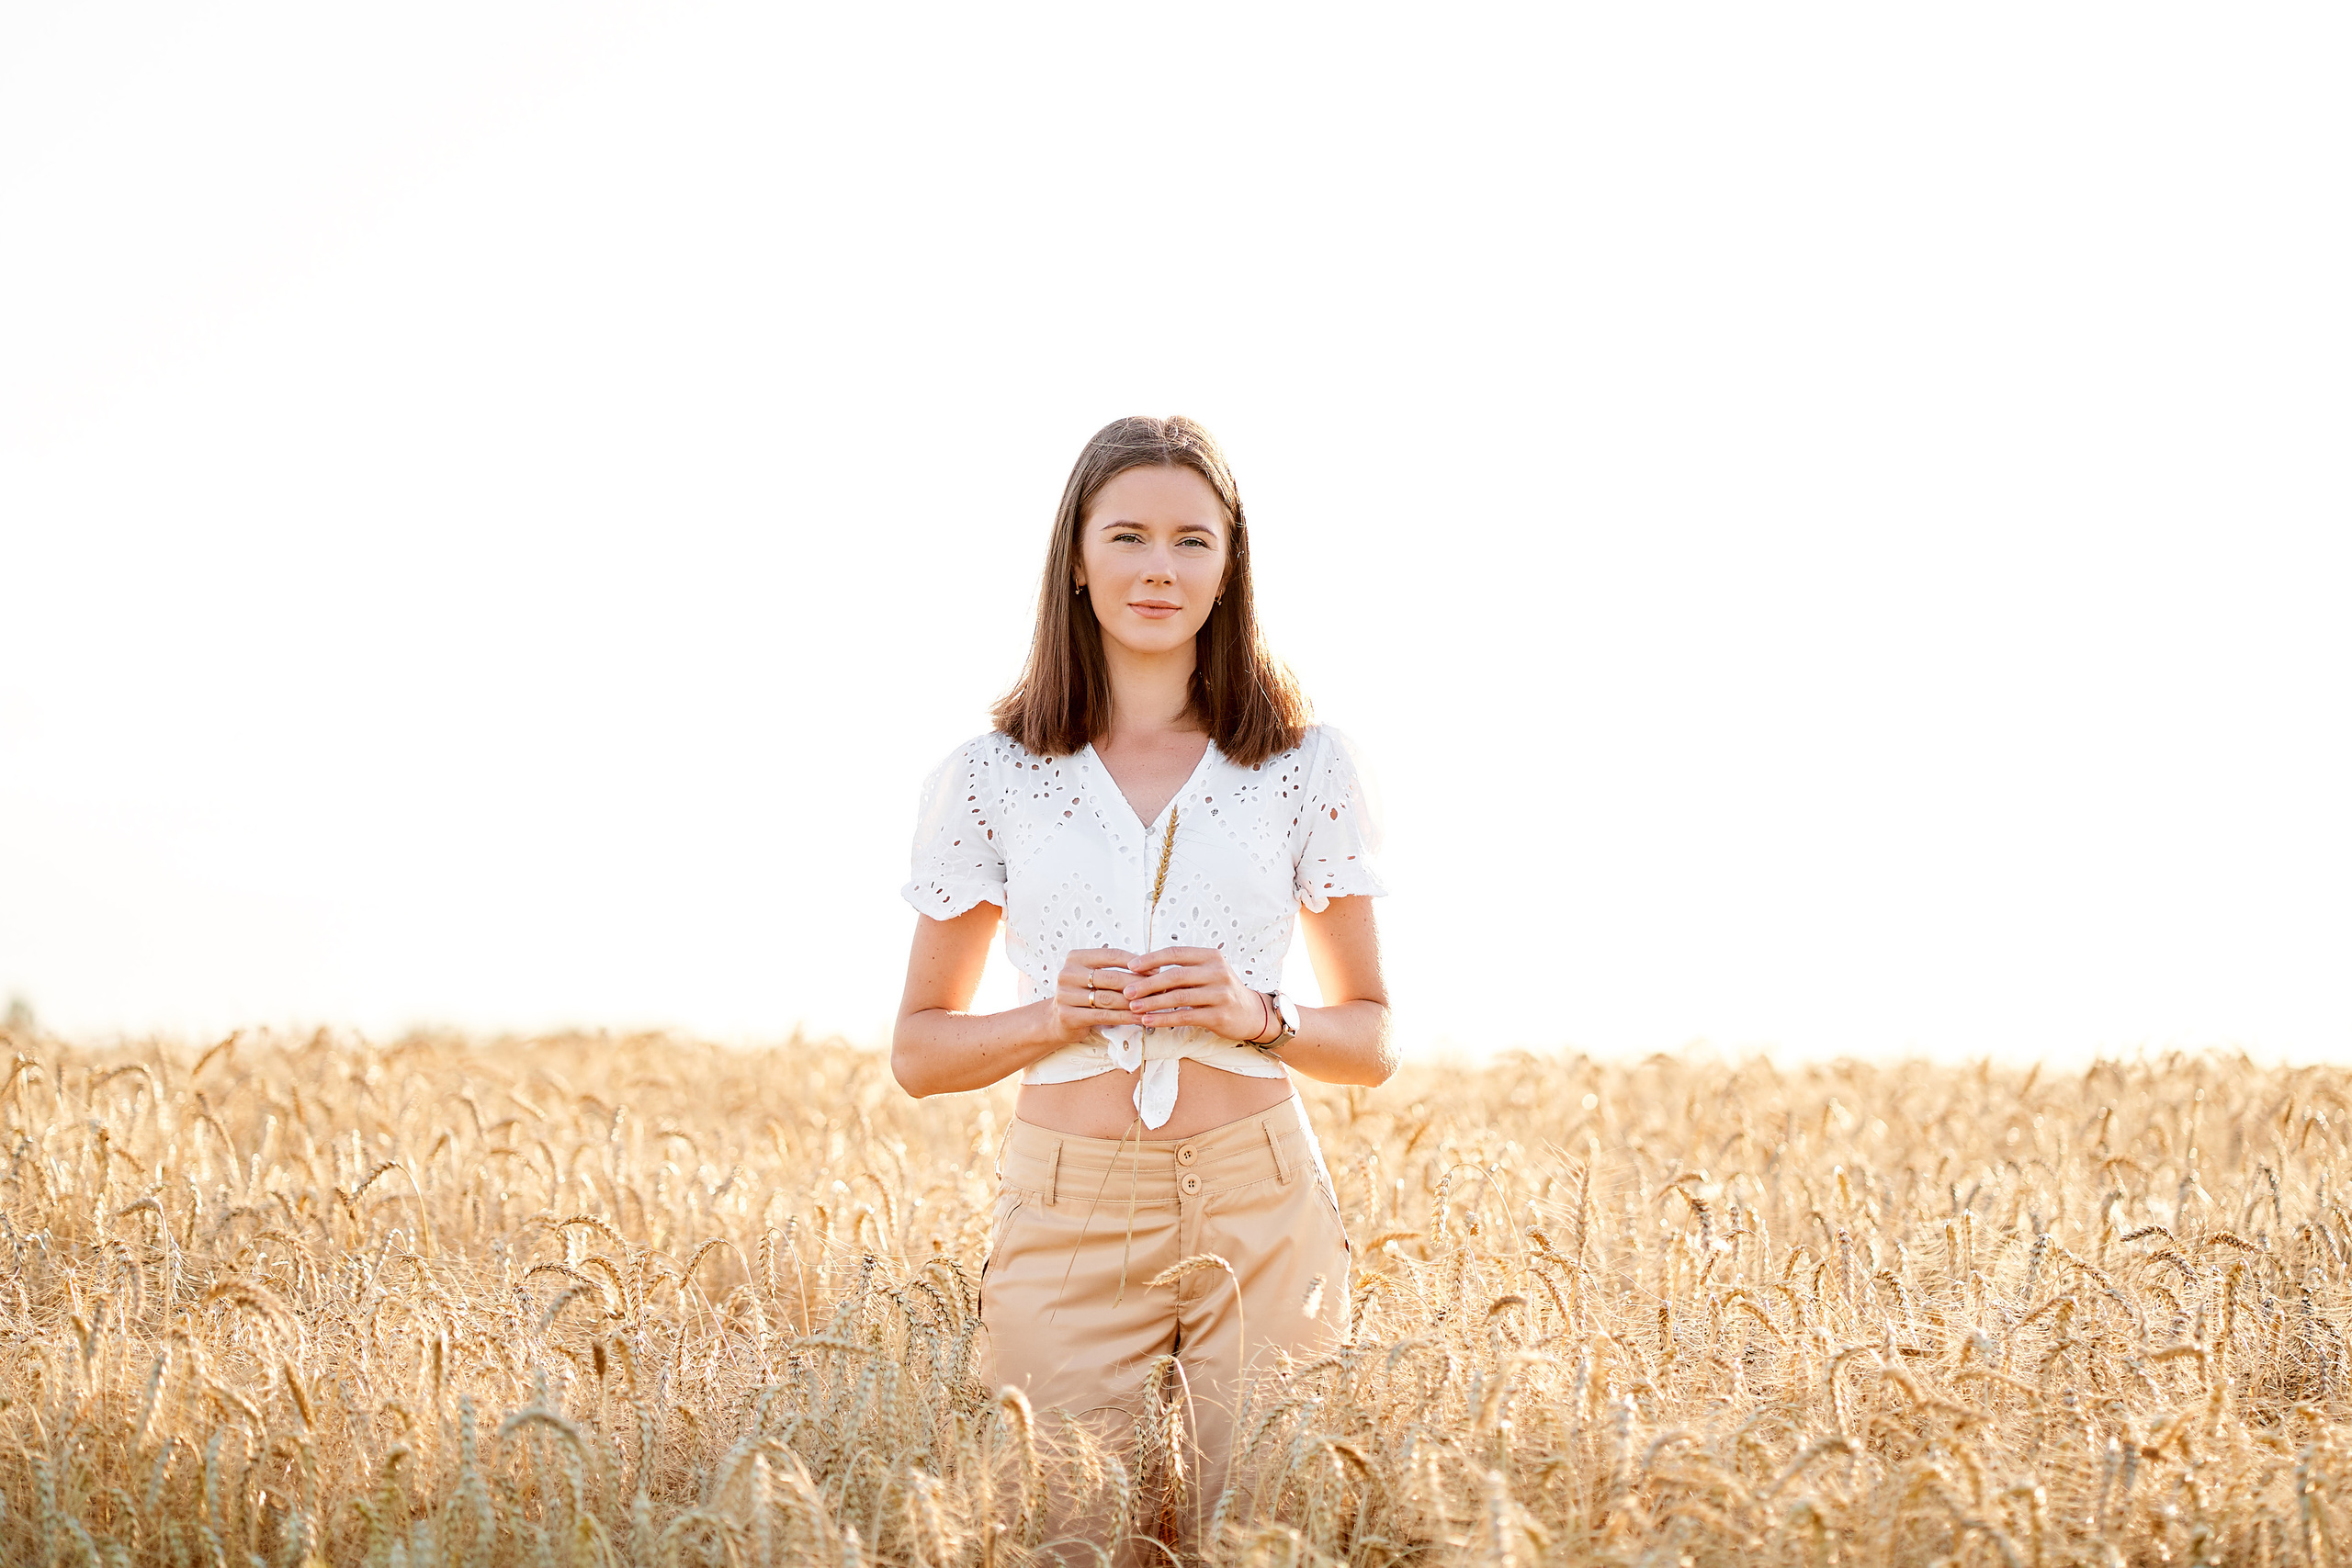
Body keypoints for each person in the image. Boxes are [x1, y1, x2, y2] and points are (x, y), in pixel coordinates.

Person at [892, 414, 1395, 1559]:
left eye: (1191, 541)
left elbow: (1369, 1039)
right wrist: (1051, 1015)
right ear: (1076, 558)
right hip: (1067, 1203)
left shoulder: (1304, 765)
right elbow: (919, 1055)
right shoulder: (990, 778)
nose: (1158, 568)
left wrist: (1256, 1017)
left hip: (1262, 1197)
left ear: (1230, 567)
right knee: (1065, 1536)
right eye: (1127, 536)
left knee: (1272, 1535)